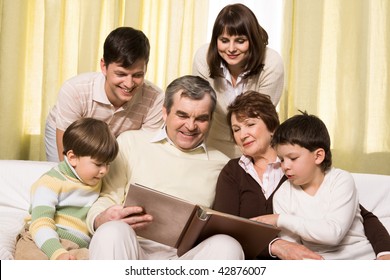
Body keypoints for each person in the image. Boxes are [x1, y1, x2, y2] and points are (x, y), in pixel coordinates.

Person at [213, 91, 390, 259]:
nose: (243, 134)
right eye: (236, 129)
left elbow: (361, 216)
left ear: (272, 126)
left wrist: (385, 253)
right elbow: (225, 227)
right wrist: (275, 246)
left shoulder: (305, 167)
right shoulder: (233, 172)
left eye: (250, 124)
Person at [86, 75, 244, 260]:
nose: (190, 126)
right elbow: (108, 197)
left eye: (201, 118)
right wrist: (100, 218)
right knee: (111, 231)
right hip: (133, 249)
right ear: (165, 113)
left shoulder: (224, 164)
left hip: (185, 259)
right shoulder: (131, 142)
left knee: (227, 245)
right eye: (182, 115)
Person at [257, 112, 376, 259]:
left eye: (293, 158)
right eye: (281, 159)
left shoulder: (341, 181)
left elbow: (333, 234)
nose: (285, 166)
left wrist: (279, 219)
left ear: (318, 156)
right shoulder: (282, 194)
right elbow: (292, 249)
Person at [45, 26, 164, 162]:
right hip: (68, 131)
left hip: (119, 141)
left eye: (137, 75)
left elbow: (142, 150)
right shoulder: (74, 90)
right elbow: (66, 159)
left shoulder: (155, 99)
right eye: (121, 74)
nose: (129, 84)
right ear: (104, 66)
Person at [15, 118, 119, 260]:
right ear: (72, 158)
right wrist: (57, 253)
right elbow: (40, 222)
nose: (104, 171)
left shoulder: (98, 180)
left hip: (77, 247)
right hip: (41, 239)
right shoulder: (51, 182)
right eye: (98, 164)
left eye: (108, 164)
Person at [192, 3, 284, 158]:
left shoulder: (271, 63)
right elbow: (199, 106)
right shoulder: (203, 57)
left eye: (240, 41)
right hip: (214, 145)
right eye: (224, 40)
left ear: (252, 39)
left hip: (257, 146)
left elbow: (260, 117)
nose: (231, 49)